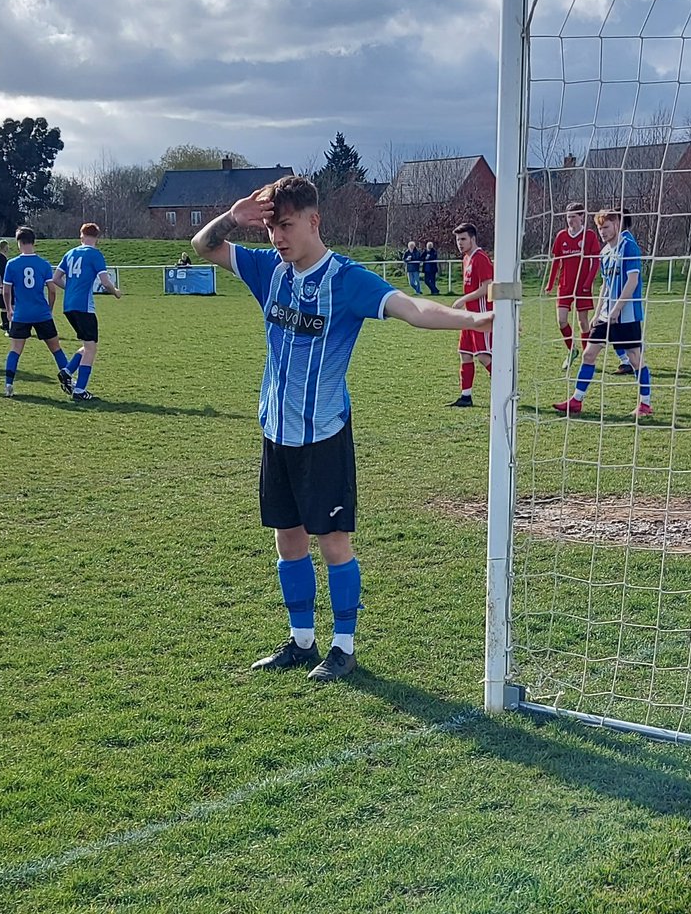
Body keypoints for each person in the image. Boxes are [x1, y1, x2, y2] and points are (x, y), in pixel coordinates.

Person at [191, 175, 493, 683]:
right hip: (275, 432)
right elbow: (204, 245)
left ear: (314, 221)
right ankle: (302, 640)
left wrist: (478, 322)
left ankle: (343, 646)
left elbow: (413, 309)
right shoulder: (269, 270)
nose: (277, 238)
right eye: (270, 229)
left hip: (324, 433)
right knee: (288, 538)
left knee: (332, 542)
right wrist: (238, 216)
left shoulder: (347, 279)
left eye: (285, 226)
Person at [554, 208, 653, 419]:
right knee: (589, 354)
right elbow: (605, 286)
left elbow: (632, 281)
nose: (603, 232)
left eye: (606, 227)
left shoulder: (629, 246)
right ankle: (576, 400)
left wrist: (617, 309)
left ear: (617, 224)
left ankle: (645, 403)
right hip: (607, 316)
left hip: (627, 315)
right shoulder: (605, 252)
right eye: (600, 228)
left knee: (635, 358)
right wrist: (598, 313)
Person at [1, 226, 72, 398]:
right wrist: (49, 309)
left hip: (21, 314)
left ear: (19, 243)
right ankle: (70, 382)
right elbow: (52, 290)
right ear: (34, 242)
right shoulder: (44, 264)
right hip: (41, 313)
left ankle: (9, 385)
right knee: (56, 348)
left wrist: (9, 309)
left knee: (15, 350)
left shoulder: (11, 264)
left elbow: (6, 290)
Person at [54, 222, 121, 402]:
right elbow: (105, 282)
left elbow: (55, 278)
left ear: (81, 236)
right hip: (84, 307)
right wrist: (115, 292)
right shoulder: (95, 254)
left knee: (87, 344)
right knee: (91, 348)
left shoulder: (70, 253)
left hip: (68, 306)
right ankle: (80, 390)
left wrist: (71, 289)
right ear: (97, 238)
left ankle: (67, 372)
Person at [546, 202, 602, 370]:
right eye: (568, 217)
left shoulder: (589, 235)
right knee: (561, 320)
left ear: (581, 217)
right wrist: (550, 283)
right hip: (565, 286)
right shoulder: (561, 236)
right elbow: (556, 262)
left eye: (573, 217)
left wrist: (588, 283)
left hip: (582, 286)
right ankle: (572, 350)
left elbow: (596, 261)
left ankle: (587, 357)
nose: (570, 220)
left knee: (583, 321)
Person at [450, 222, 493, 408]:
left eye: (463, 239)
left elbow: (487, 287)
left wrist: (462, 300)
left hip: (480, 315)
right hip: (469, 315)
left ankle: (508, 385)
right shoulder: (466, 258)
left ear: (472, 239)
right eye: (458, 239)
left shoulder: (480, 258)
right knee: (465, 354)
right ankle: (466, 396)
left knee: (483, 356)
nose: (460, 243)